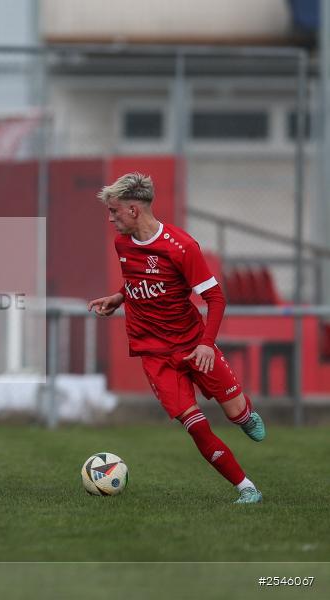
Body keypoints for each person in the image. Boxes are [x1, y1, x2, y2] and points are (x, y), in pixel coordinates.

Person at [87, 172, 266, 504]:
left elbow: (216, 299)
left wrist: (206, 344)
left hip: (193, 343)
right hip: (154, 354)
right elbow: (140, 280)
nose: (110, 219)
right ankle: (246, 487)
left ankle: (243, 416)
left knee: (238, 413)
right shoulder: (122, 243)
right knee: (195, 425)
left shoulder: (181, 247)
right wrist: (119, 297)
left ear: (134, 210)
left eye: (114, 212)